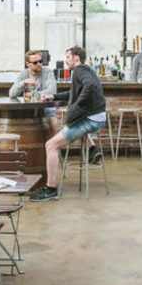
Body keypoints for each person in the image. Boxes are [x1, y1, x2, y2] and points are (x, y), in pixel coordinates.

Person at [36, 46, 106, 202]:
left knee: (51, 145)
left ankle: (51, 189)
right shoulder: (86, 70)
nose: (66, 60)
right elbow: (73, 92)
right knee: (68, 127)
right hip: (97, 117)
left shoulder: (80, 71)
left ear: (76, 58)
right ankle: (93, 149)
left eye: (68, 57)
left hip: (91, 119)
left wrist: (76, 106)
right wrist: (53, 96)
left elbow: (89, 86)